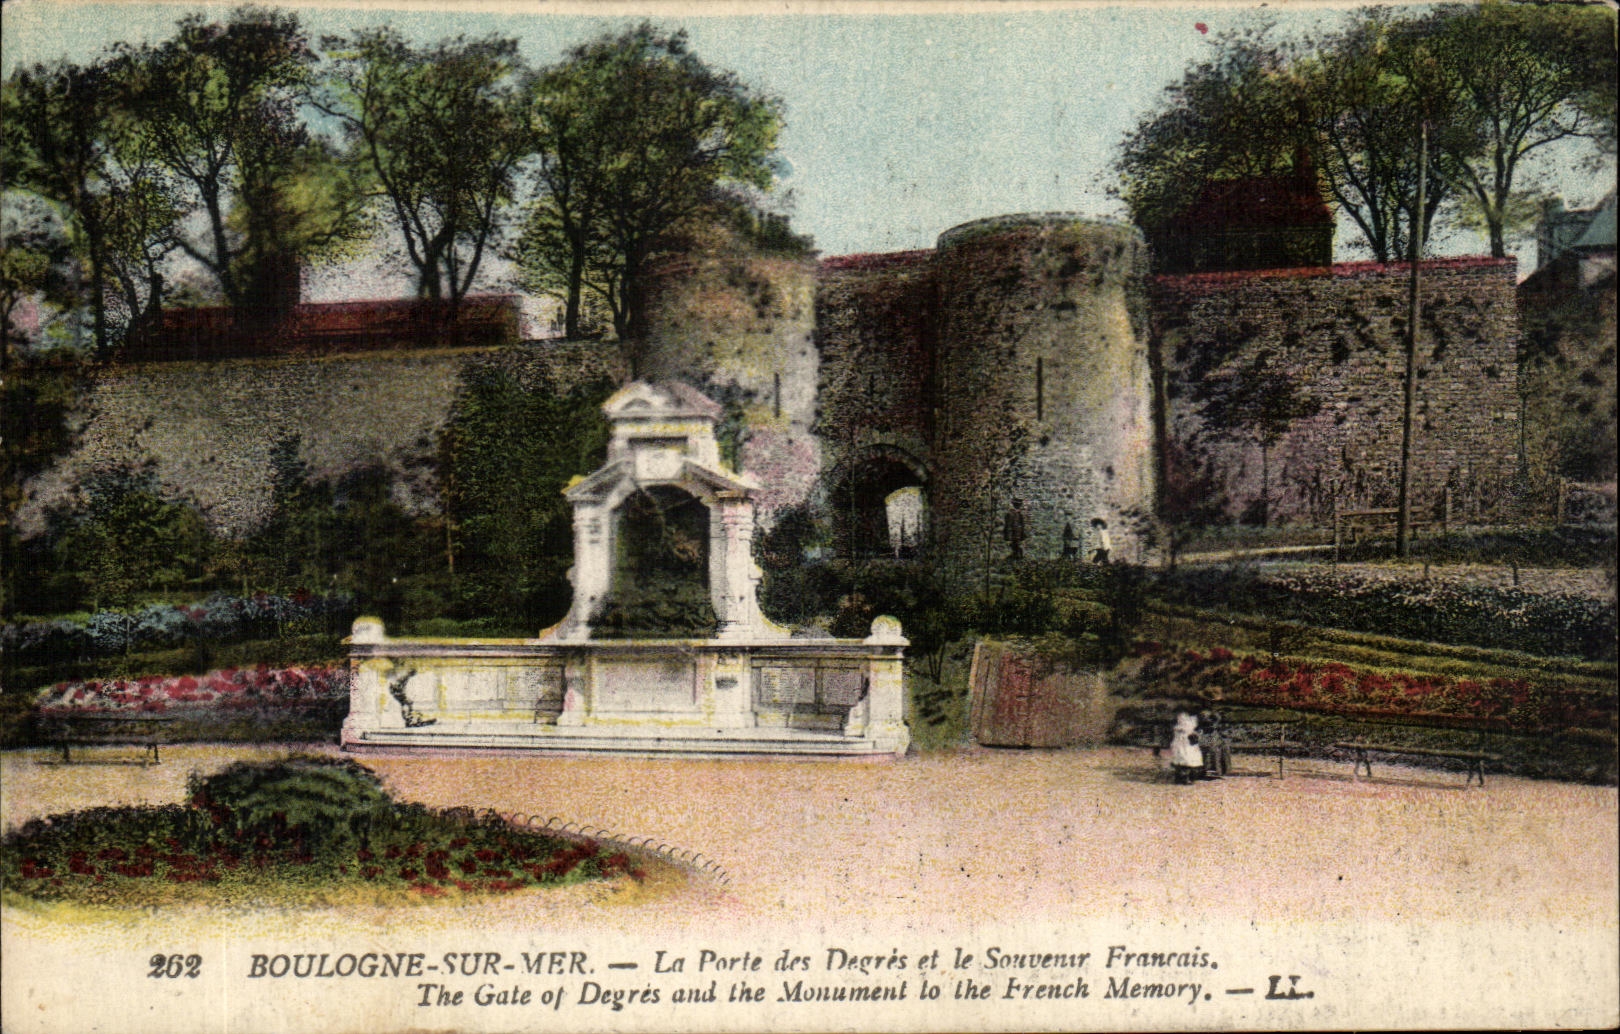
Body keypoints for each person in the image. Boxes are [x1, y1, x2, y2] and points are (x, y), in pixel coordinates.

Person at [1168, 711, 1203, 785]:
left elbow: (1195, 728)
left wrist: (1195, 733)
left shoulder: (1194, 717)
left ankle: (1186, 777)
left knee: (1190, 758)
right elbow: (1178, 728)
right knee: (1183, 757)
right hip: (1182, 740)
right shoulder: (1181, 716)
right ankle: (1182, 777)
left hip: (1189, 740)